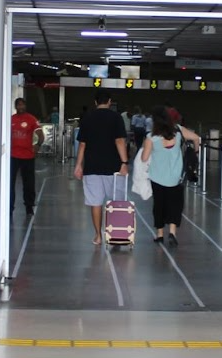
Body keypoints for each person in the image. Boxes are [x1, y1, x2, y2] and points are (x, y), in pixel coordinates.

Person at [140, 104, 201, 247]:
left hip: (157, 177)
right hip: (176, 177)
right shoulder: (178, 132)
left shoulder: (151, 137)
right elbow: (196, 138)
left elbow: (144, 158)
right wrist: (195, 153)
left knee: (159, 205)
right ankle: (172, 232)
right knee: (175, 204)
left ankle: (160, 234)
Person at [73, 93, 128, 246]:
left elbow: (82, 144)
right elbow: (119, 140)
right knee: (116, 201)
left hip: (92, 167)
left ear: (95, 102)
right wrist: (124, 162)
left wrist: (78, 165)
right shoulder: (116, 117)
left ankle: (98, 235)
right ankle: (116, 234)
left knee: (95, 202)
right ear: (110, 102)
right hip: (113, 167)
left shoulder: (87, 118)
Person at [9, 97, 40, 218]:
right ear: (15, 106)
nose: (20, 107)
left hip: (28, 156)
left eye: (22, 105)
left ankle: (29, 206)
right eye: (18, 105)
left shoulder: (31, 119)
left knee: (29, 183)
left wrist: (38, 144)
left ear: (25, 106)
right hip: (13, 156)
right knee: (10, 183)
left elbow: (40, 134)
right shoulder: (11, 119)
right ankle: (10, 207)